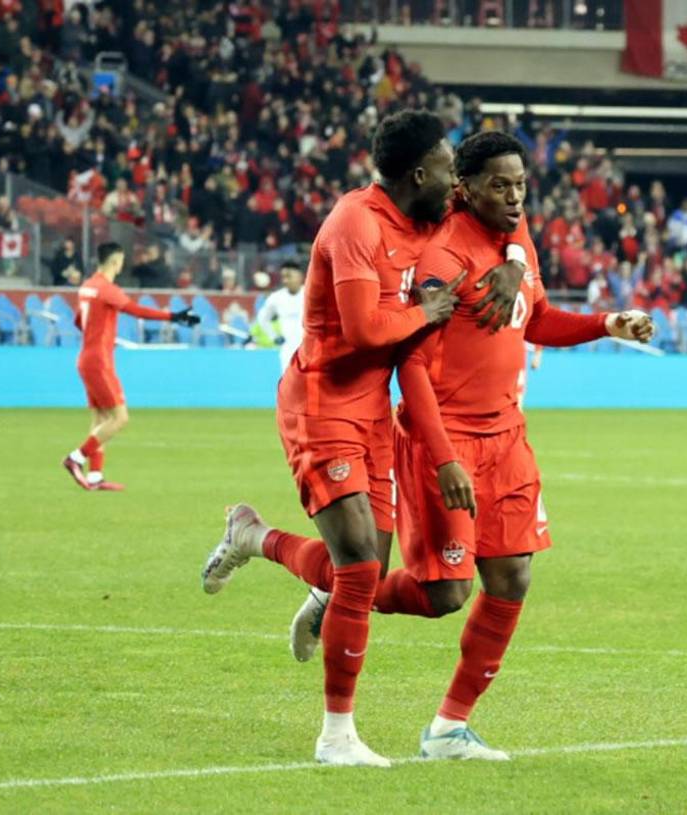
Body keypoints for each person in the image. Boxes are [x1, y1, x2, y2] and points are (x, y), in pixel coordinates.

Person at [281, 131, 654, 760]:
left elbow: (533, 317)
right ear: (463, 187)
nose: (514, 198)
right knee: (441, 594)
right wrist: (446, 457)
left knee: (512, 576)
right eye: (498, 186)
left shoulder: (518, 237)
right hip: (442, 440)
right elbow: (412, 366)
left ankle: (450, 727)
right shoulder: (437, 256)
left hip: (508, 436)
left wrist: (606, 324)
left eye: (520, 187)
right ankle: (316, 580)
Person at [198, 111, 525, 768]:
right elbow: (362, 328)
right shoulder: (355, 223)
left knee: (363, 569)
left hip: (375, 405)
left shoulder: (427, 213)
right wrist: (425, 312)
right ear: (420, 174)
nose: (458, 186)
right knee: (356, 567)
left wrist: (514, 261)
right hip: (322, 399)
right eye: (446, 169)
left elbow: (502, 212)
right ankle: (337, 735)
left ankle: (253, 537)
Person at [62, 243, 199, 492]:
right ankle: (76, 458)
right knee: (120, 418)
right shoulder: (107, 289)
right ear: (116, 262)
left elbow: (78, 321)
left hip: (86, 357)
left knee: (101, 418)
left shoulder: (87, 287)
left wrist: (98, 333)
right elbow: (136, 310)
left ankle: (94, 476)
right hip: (100, 361)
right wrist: (173, 317)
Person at [256, 261, 307, 372]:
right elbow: (262, 318)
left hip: (309, 349)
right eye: (283, 277)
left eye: (289, 276)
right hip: (288, 350)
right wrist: (274, 336)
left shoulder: (310, 294)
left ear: (300, 276)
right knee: (288, 385)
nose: (285, 280)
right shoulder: (276, 298)